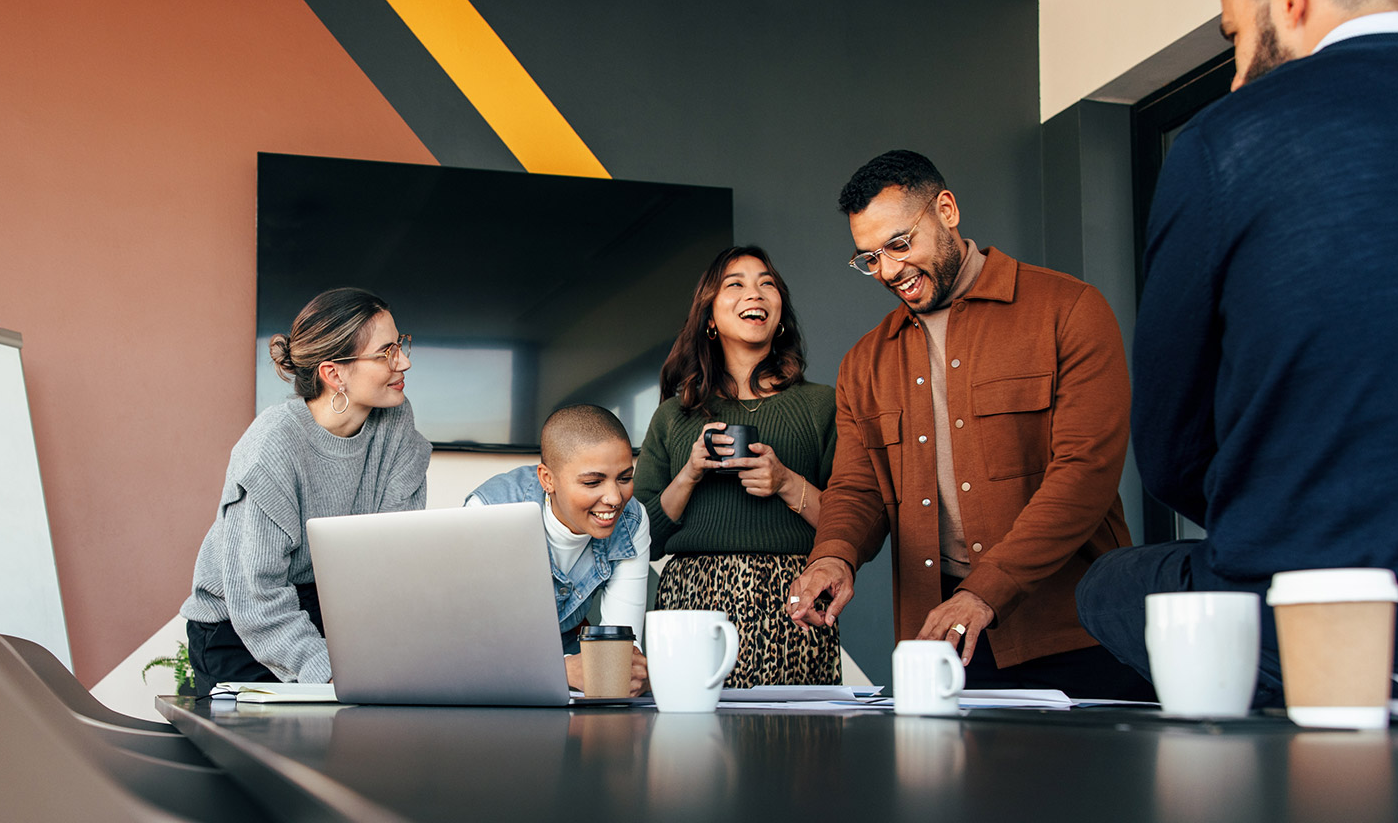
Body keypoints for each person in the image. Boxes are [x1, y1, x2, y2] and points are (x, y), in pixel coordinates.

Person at [1075, 0, 1398, 700]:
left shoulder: (1224, 139)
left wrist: (1279, 504)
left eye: (1235, 38)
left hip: (1319, 612)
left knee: (1108, 585)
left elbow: (1171, 454)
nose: (1237, 76)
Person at [787, 150, 1153, 700]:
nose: (887, 271)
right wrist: (834, 554)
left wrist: (985, 592)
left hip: (1079, 632)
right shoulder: (865, 362)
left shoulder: (1070, 309)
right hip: (944, 645)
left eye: (899, 245)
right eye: (869, 258)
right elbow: (858, 487)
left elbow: (1085, 475)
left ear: (947, 210)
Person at [181, 288, 431, 696]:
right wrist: (330, 675)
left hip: (330, 609)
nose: (404, 361)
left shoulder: (396, 423)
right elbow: (255, 595)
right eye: (386, 352)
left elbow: (391, 555)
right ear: (334, 374)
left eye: (400, 344)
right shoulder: (271, 447)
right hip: (239, 629)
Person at [635, 246, 839, 687]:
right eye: (736, 284)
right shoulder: (675, 415)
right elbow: (638, 541)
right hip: (691, 606)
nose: (756, 292)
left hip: (793, 603)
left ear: (779, 314)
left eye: (767, 283)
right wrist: (689, 474)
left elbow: (851, 526)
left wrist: (786, 481)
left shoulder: (821, 405)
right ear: (709, 316)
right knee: (688, 750)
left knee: (794, 749)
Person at [465, 404, 651, 696]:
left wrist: (631, 672)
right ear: (547, 479)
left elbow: (620, 653)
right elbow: (471, 650)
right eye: (593, 482)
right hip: (499, 681)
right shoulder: (490, 513)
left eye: (625, 478)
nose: (615, 498)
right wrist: (564, 670)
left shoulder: (632, 521)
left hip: (575, 674)